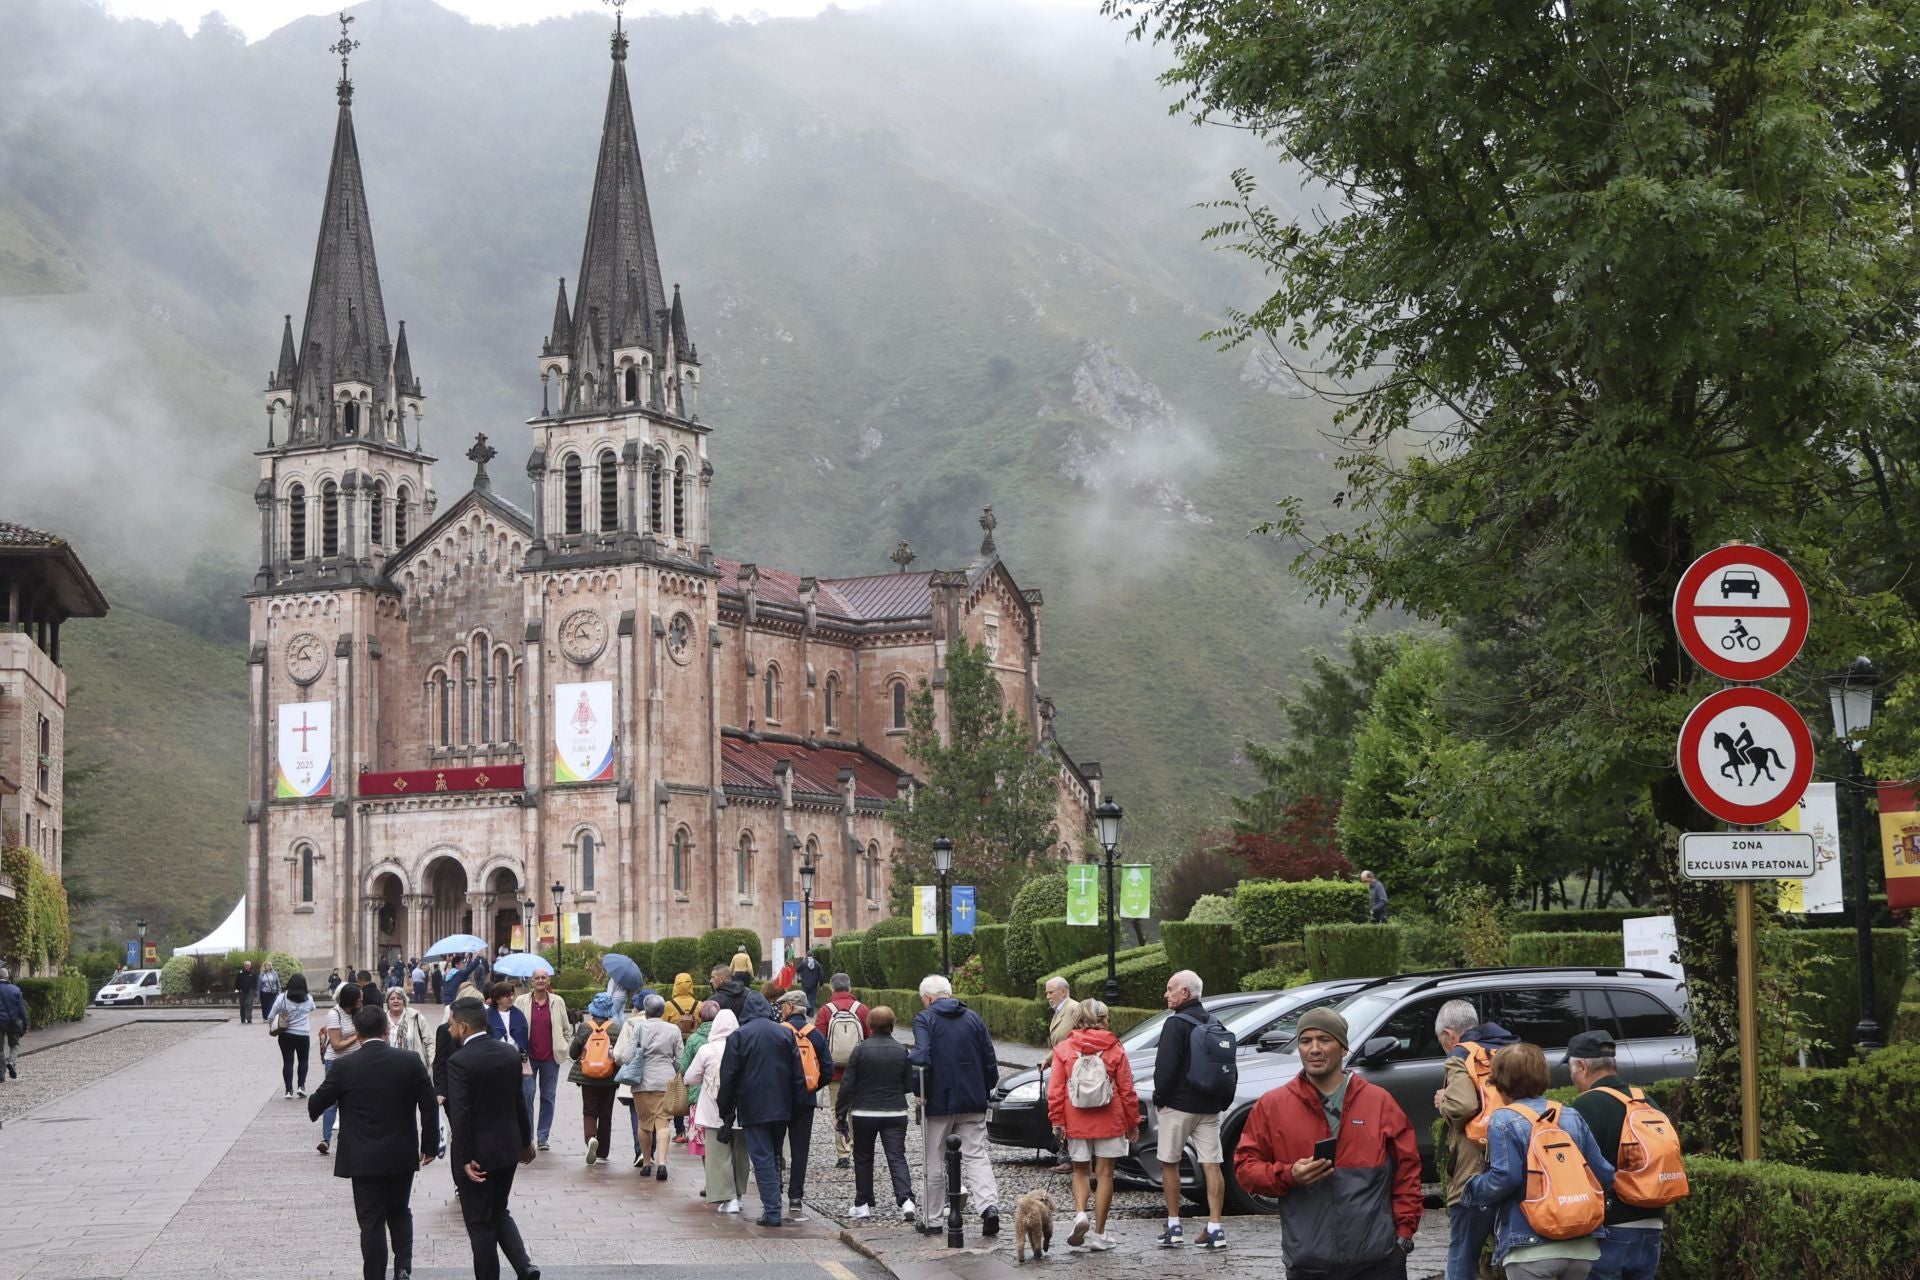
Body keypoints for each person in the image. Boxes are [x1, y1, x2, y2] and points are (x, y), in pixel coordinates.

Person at [1233, 1008, 1422, 1277]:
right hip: (1309, 1264)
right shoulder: (1272, 1106)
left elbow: (1408, 1172)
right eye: (1306, 1040)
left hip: (1377, 1262)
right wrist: (1289, 1174)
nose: (1314, 1049)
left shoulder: (1379, 1102)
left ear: (1343, 1048)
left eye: (1324, 1039)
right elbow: (1245, 1169)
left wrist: (1403, 1236)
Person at [307, 1002, 439, 1280]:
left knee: (371, 1221)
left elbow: (316, 1105)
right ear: (385, 1031)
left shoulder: (345, 1067)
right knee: (400, 1211)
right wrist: (429, 1145)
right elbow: (429, 1104)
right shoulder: (409, 1061)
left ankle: (375, 1275)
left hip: (362, 1156)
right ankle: (403, 1267)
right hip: (400, 1152)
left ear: (357, 1031)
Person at [1467, 1042, 1614, 1280]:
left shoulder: (1503, 1120)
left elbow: (1505, 1178)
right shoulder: (1569, 1115)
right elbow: (1604, 1173)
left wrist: (1473, 1188)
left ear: (1502, 1083)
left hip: (1530, 1249)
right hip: (1582, 1248)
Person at [444, 996, 539, 1280]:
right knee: (498, 1209)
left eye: (451, 1025)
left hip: (477, 1154)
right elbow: (519, 1101)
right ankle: (524, 1266)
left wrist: (463, 1158)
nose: (449, 1030)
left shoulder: (458, 1061)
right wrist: (526, 1140)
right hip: (508, 1147)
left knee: (480, 1222)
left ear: (463, 1026)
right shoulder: (509, 1053)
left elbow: (460, 1114)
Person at [908, 973, 1000, 1237]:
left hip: (938, 1099)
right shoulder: (973, 1017)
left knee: (933, 1158)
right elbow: (989, 1058)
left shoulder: (925, 1018)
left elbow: (922, 1057)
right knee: (976, 1155)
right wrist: (986, 1087)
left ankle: (933, 1219)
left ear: (927, 998)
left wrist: (918, 1089)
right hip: (972, 1098)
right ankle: (988, 1207)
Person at [1568, 1032, 1665, 1280]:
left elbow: (1572, 1170)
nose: (1573, 1078)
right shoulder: (1645, 1101)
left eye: (1573, 1070)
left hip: (1611, 1229)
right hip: (1652, 1226)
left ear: (1582, 1066)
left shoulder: (1586, 1106)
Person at [1435, 1001, 1517, 1280]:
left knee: (1462, 1254)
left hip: (1476, 1168)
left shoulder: (1461, 1055)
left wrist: (1444, 1101)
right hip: (1519, 1165)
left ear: (1450, 1035)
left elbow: (1462, 1107)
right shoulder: (1513, 1049)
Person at [1047, 998, 1138, 1252]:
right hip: (1110, 1118)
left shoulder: (1064, 1049)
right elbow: (1127, 1088)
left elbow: (1055, 1091)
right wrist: (1133, 1122)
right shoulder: (1115, 1048)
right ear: (1101, 1020)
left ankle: (1080, 1214)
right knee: (1106, 1174)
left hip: (1076, 1119)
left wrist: (1057, 1120)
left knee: (1080, 1171)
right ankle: (1099, 1235)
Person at [716, 990, 807, 1227]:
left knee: (763, 1158)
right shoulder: (784, 1034)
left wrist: (725, 1109)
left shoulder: (739, 1036)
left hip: (753, 1105)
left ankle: (773, 1211)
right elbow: (798, 1074)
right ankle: (774, 1203)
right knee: (775, 1155)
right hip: (782, 1105)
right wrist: (797, 1106)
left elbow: (729, 1076)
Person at [1152, 969, 1228, 1248]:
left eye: (1170, 988)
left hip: (1178, 1105)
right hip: (1209, 1105)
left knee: (1170, 1162)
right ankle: (1216, 1227)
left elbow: (1166, 1068)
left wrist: (1160, 1097)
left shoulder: (1175, 1024)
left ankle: (1174, 1226)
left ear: (1185, 993)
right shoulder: (1215, 1021)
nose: (1166, 994)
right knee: (1212, 1163)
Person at [835, 1003, 915, 1221]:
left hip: (864, 1112)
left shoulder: (860, 1050)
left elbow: (847, 1085)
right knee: (897, 1156)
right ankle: (906, 1200)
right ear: (892, 1025)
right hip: (895, 1112)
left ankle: (863, 1203)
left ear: (869, 1025)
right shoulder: (901, 1050)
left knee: (863, 1157)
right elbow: (909, 1084)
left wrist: (840, 1113)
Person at [615, 991, 684, 1178]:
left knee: (644, 1123)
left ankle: (646, 1163)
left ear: (646, 1010)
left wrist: (618, 1058)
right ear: (662, 1011)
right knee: (663, 1123)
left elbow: (627, 1056)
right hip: (666, 1081)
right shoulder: (673, 1030)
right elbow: (680, 1061)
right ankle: (662, 1163)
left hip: (642, 1082)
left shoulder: (639, 1028)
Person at [684, 1008, 746, 1212]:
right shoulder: (743, 1046)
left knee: (718, 1155)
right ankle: (738, 1194)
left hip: (713, 1108)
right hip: (739, 1108)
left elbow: (690, 1077)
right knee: (739, 1153)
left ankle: (727, 1198)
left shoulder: (707, 1049)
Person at [779, 989, 831, 1220]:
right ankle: (796, 1197)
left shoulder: (780, 1033)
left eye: (782, 1006)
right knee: (800, 1150)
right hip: (807, 1100)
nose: (780, 1010)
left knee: (775, 1145)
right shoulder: (816, 1035)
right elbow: (828, 1070)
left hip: (780, 1099)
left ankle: (775, 1187)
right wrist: (812, 1086)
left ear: (790, 1007)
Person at [814, 973, 870, 1168]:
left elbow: (819, 1041)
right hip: (859, 1072)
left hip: (835, 1072)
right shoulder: (861, 1009)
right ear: (850, 988)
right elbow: (870, 1038)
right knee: (858, 1111)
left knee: (838, 1111)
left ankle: (843, 1153)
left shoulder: (825, 1011)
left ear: (831, 988)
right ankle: (858, 1149)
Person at [514, 970, 573, 1151]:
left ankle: (543, 1137)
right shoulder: (521, 1001)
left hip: (550, 1058)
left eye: (543, 978)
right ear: (532, 981)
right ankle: (528, 1136)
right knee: (527, 1096)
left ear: (549, 981)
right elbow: (514, 1026)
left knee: (548, 1097)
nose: (540, 981)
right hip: (527, 1057)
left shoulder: (557, 1001)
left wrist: (563, 1046)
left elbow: (566, 1029)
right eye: (537, 978)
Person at [569, 992, 623, 1166]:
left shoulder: (585, 1027)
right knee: (606, 1114)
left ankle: (591, 1138)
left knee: (590, 1111)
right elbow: (621, 1055)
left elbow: (573, 1053)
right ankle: (603, 1151)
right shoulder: (616, 1029)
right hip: (609, 1078)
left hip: (588, 1078)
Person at [318, 982, 366, 1155]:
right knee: (332, 1102)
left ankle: (347, 1139)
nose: (361, 1000)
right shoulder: (334, 1014)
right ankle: (326, 1139)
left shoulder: (358, 1013)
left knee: (353, 1101)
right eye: (358, 998)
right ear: (350, 999)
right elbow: (337, 1045)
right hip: (336, 1062)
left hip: (355, 1061)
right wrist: (357, 1036)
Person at [484, 981, 534, 1130]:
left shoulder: (518, 1015)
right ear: (497, 998)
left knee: (526, 1098)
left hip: (518, 1062)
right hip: (496, 1063)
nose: (511, 998)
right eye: (507, 996)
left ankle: (527, 1135)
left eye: (512, 995)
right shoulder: (488, 1016)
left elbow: (524, 1039)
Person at [270, 972, 316, 1098]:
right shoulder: (309, 998)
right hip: (303, 1035)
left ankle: (288, 1090)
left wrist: (273, 1025)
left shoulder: (282, 997)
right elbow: (313, 1008)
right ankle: (301, 1086)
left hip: (286, 1034)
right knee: (303, 1060)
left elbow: (270, 1016)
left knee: (288, 1062)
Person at [386, 988, 436, 1073]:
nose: (395, 1001)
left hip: (413, 1068)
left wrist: (432, 1062)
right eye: (392, 999)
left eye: (399, 998)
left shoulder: (416, 1017)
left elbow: (430, 1041)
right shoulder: (382, 1019)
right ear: (387, 1002)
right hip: (388, 1068)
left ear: (404, 1001)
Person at [1045, 976, 1085, 1048]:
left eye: (1051, 992)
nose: (1048, 997)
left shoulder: (1075, 1008)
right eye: (1047, 993)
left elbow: (1084, 1039)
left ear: (1063, 992)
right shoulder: (1059, 1009)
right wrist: (1047, 1059)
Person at [0, 967, 25, 1079]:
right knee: (14, 1044)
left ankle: (1, 1074)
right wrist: (24, 1024)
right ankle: (11, 1061)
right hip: (12, 1022)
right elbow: (21, 1010)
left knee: (0, 1048)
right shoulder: (16, 990)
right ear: (8, 977)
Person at [235, 960, 258, 1024]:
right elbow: (236, 982)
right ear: (244, 966)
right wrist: (239, 988)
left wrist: (253, 988)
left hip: (250, 991)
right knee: (242, 1005)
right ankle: (243, 1019)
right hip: (242, 991)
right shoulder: (240, 973)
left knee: (249, 1004)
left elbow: (255, 982)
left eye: (248, 965)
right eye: (246, 965)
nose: (247, 966)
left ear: (250, 966)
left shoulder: (252, 973)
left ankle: (249, 1019)